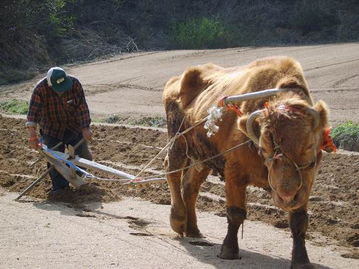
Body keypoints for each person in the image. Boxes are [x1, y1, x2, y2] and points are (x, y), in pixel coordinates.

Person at [26, 67, 93, 194]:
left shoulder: (75, 85)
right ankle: (60, 189)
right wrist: (32, 135)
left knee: (84, 156)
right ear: (50, 85)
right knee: (55, 159)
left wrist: (85, 128)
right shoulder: (40, 89)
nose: (62, 91)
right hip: (51, 129)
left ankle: (77, 180)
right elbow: (33, 114)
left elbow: (82, 107)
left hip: (74, 127)